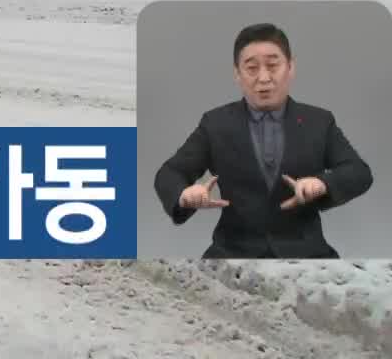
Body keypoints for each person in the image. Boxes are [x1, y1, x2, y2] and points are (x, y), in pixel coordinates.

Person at [151, 22, 373, 258]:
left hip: (306, 252)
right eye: (252, 68)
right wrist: (185, 196)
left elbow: (359, 172)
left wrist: (322, 184)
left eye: (273, 65)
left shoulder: (319, 121)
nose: (264, 78)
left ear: (291, 67)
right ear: (237, 73)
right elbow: (169, 172)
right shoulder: (215, 123)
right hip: (232, 252)